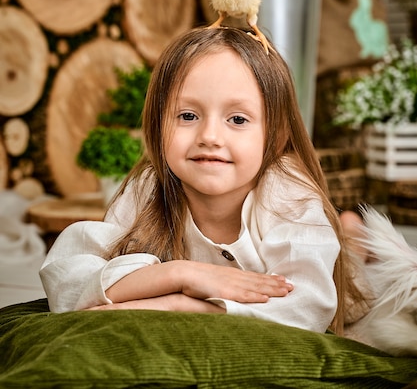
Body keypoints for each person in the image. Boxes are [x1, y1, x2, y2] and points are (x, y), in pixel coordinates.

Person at [40, 27, 364, 335]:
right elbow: (67, 275)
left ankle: (351, 232)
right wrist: (181, 275)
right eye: (188, 116)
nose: (209, 137)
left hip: (349, 282)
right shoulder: (149, 188)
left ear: (276, 137)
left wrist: (179, 306)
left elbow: (308, 307)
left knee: (356, 280)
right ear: (158, 123)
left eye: (237, 119)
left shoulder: (286, 192)